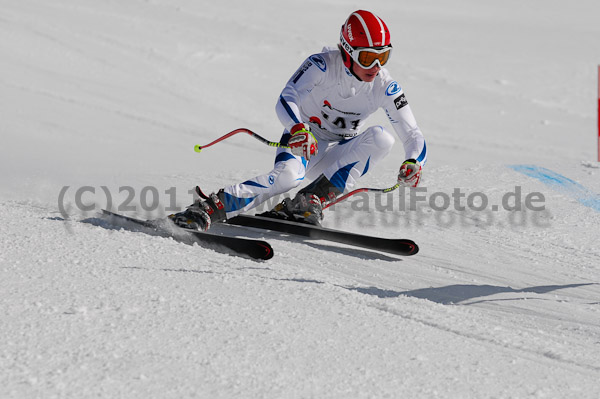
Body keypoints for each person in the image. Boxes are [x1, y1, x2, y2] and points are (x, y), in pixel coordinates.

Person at [171, 9, 427, 231]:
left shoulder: (384, 85)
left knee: (383, 139)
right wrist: (297, 129)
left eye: (383, 57)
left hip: (335, 155)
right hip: (304, 141)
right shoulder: (322, 65)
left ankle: (307, 201)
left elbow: (412, 132)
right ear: (347, 52)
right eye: (368, 58)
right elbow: (286, 97)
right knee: (287, 178)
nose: (376, 66)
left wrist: (414, 161)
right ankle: (208, 209)